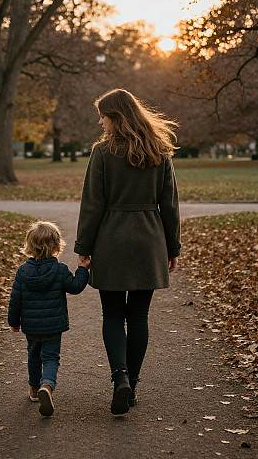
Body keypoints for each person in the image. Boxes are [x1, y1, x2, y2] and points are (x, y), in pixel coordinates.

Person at [75, 88, 181, 416]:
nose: (100, 121)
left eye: (103, 115)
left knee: (112, 314)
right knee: (138, 316)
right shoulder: (159, 151)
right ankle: (131, 385)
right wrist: (172, 246)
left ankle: (119, 377)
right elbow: (170, 204)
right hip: (148, 241)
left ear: (116, 117)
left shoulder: (103, 152)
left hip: (111, 240)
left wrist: (84, 247)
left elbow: (93, 204)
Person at [8, 221, 90, 417]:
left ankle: (35, 389)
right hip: (53, 326)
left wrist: (13, 321)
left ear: (29, 245)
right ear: (56, 246)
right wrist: (82, 268)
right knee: (51, 357)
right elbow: (76, 287)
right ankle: (47, 385)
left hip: (32, 326)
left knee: (33, 356)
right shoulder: (59, 270)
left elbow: (15, 299)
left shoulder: (22, 272)